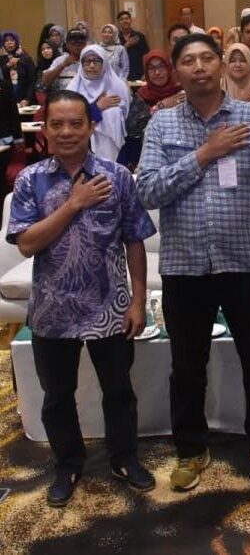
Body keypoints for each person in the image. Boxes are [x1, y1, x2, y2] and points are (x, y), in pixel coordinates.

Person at [136, 33, 250, 490]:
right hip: (185, 266)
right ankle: (191, 449)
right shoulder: (162, 125)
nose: (200, 66)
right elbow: (147, 191)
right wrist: (204, 154)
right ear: (177, 71)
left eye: (208, 57)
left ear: (222, 65)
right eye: (189, 60)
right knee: (187, 366)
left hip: (247, 263)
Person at [8, 90, 157, 506]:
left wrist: (137, 300)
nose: (67, 132)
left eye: (76, 123)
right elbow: (26, 244)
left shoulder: (117, 176)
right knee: (57, 397)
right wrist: (73, 204)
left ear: (91, 127)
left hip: (111, 307)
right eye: (57, 124)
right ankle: (68, 464)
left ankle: (124, 458)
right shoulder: (30, 180)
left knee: (119, 391)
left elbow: (135, 241)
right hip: (53, 310)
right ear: (45, 129)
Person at [120, 50, 185, 170]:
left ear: (169, 68)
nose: (157, 72)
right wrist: (160, 106)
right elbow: (133, 127)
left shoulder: (181, 92)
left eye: (161, 66)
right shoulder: (142, 94)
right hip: (149, 155)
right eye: (151, 68)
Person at [66, 45, 131, 162]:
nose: (92, 65)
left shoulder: (118, 86)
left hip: (118, 147)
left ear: (104, 63)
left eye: (96, 61)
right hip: (81, 147)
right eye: (87, 61)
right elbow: (71, 121)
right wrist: (97, 108)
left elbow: (127, 119)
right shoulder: (73, 89)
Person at [43, 28, 88, 92]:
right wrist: (63, 65)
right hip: (65, 96)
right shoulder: (60, 60)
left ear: (85, 44)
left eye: (80, 43)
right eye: (74, 43)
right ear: (67, 45)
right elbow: (45, 81)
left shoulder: (91, 59)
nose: (77, 46)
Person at [1, 31, 37, 103]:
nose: (9, 42)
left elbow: (32, 81)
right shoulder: (2, 60)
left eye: (12, 40)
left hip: (26, 99)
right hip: (8, 101)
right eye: (6, 41)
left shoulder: (26, 58)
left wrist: (27, 99)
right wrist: (8, 65)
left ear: (16, 42)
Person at [116, 10, 149, 80]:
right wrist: (126, 46)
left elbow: (146, 55)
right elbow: (114, 57)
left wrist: (146, 72)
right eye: (122, 19)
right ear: (118, 22)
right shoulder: (116, 39)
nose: (125, 21)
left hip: (139, 75)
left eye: (127, 18)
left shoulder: (139, 36)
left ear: (130, 20)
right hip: (121, 76)